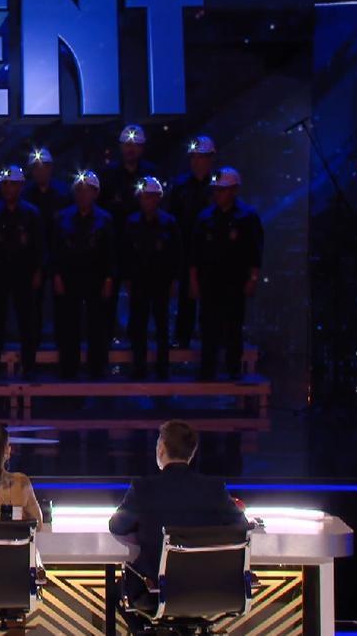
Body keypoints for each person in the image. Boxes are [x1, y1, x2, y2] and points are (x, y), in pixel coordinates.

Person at [108, 420, 247, 624]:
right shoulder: (215, 489)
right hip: (214, 593)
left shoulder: (144, 489)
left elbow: (117, 526)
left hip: (155, 592)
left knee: (115, 589)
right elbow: (241, 527)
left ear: (161, 449)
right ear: (191, 453)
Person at [191, 167, 264, 380]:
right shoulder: (205, 218)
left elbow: (255, 252)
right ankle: (207, 368)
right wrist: (194, 281)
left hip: (234, 281)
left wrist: (253, 279)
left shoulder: (247, 217)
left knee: (233, 325)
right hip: (210, 281)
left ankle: (233, 368)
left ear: (234, 190)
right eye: (215, 190)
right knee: (208, 326)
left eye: (222, 190)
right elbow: (195, 254)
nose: (217, 194)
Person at [0, 165, 43, 381]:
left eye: (13, 184)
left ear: (21, 186)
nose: (9, 188)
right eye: (5, 184)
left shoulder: (32, 214)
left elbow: (38, 246)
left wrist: (37, 271)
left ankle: (30, 367)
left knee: (28, 323)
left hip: (23, 274)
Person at [51, 171, 115, 379]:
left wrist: (108, 279)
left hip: (95, 278)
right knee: (69, 325)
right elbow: (55, 250)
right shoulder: (62, 217)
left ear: (95, 193)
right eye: (79, 190)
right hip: (70, 278)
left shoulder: (105, 219)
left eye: (87, 191)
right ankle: (69, 368)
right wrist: (57, 276)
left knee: (97, 325)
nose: (83, 195)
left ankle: (97, 368)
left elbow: (111, 253)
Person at [100, 125, 159, 339]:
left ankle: (138, 348)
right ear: (120, 147)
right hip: (114, 246)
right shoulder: (108, 175)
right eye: (127, 145)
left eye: (135, 145)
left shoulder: (152, 173)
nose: (131, 149)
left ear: (142, 148)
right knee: (108, 299)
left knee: (141, 301)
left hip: (143, 248)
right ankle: (105, 345)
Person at [124, 177, 182, 380]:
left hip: (161, 282)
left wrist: (174, 280)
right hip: (139, 282)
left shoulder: (169, 223)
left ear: (159, 198)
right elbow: (126, 254)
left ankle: (162, 367)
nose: (148, 200)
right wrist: (128, 279)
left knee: (162, 325)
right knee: (138, 326)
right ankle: (139, 367)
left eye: (152, 196)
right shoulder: (131, 223)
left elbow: (176, 254)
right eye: (145, 196)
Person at [167, 136, 217, 347]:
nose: (197, 162)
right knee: (186, 297)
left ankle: (212, 339)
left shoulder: (218, 186)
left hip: (212, 250)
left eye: (201, 157)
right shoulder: (180, 187)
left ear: (210, 158)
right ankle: (182, 338)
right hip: (186, 247)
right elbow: (172, 221)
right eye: (194, 157)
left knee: (212, 299)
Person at [24, 147, 69, 348]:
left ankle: (63, 346)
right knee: (33, 306)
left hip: (60, 254)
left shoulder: (63, 193)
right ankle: (33, 347)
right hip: (34, 257)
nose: (40, 171)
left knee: (63, 304)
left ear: (51, 168)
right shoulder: (25, 194)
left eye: (44, 167)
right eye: (36, 168)